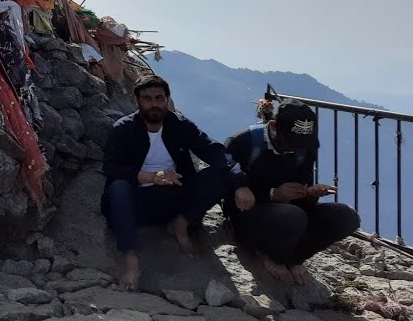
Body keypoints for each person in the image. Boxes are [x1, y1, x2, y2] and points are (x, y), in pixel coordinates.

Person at [102, 75, 244, 289]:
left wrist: (241, 183)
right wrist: (152, 177)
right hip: (138, 202)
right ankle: (131, 260)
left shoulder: (179, 125)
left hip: (174, 196)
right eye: (147, 98)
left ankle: (181, 224)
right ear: (137, 101)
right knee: (118, 188)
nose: (154, 104)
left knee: (223, 173)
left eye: (159, 98)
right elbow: (112, 167)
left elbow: (212, 150)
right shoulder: (123, 128)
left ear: (167, 100)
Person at [226, 100, 360, 284]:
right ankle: (270, 256)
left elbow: (302, 195)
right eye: (291, 143)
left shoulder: (305, 149)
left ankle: (295, 258)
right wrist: (272, 194)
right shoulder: (243, 142)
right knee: (293, 216)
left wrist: (310, 194)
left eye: (301, 144)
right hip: (248, 214)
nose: (296, 148)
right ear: (273, 127)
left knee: (346, 216)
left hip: (289, 214)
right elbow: (225, 186)